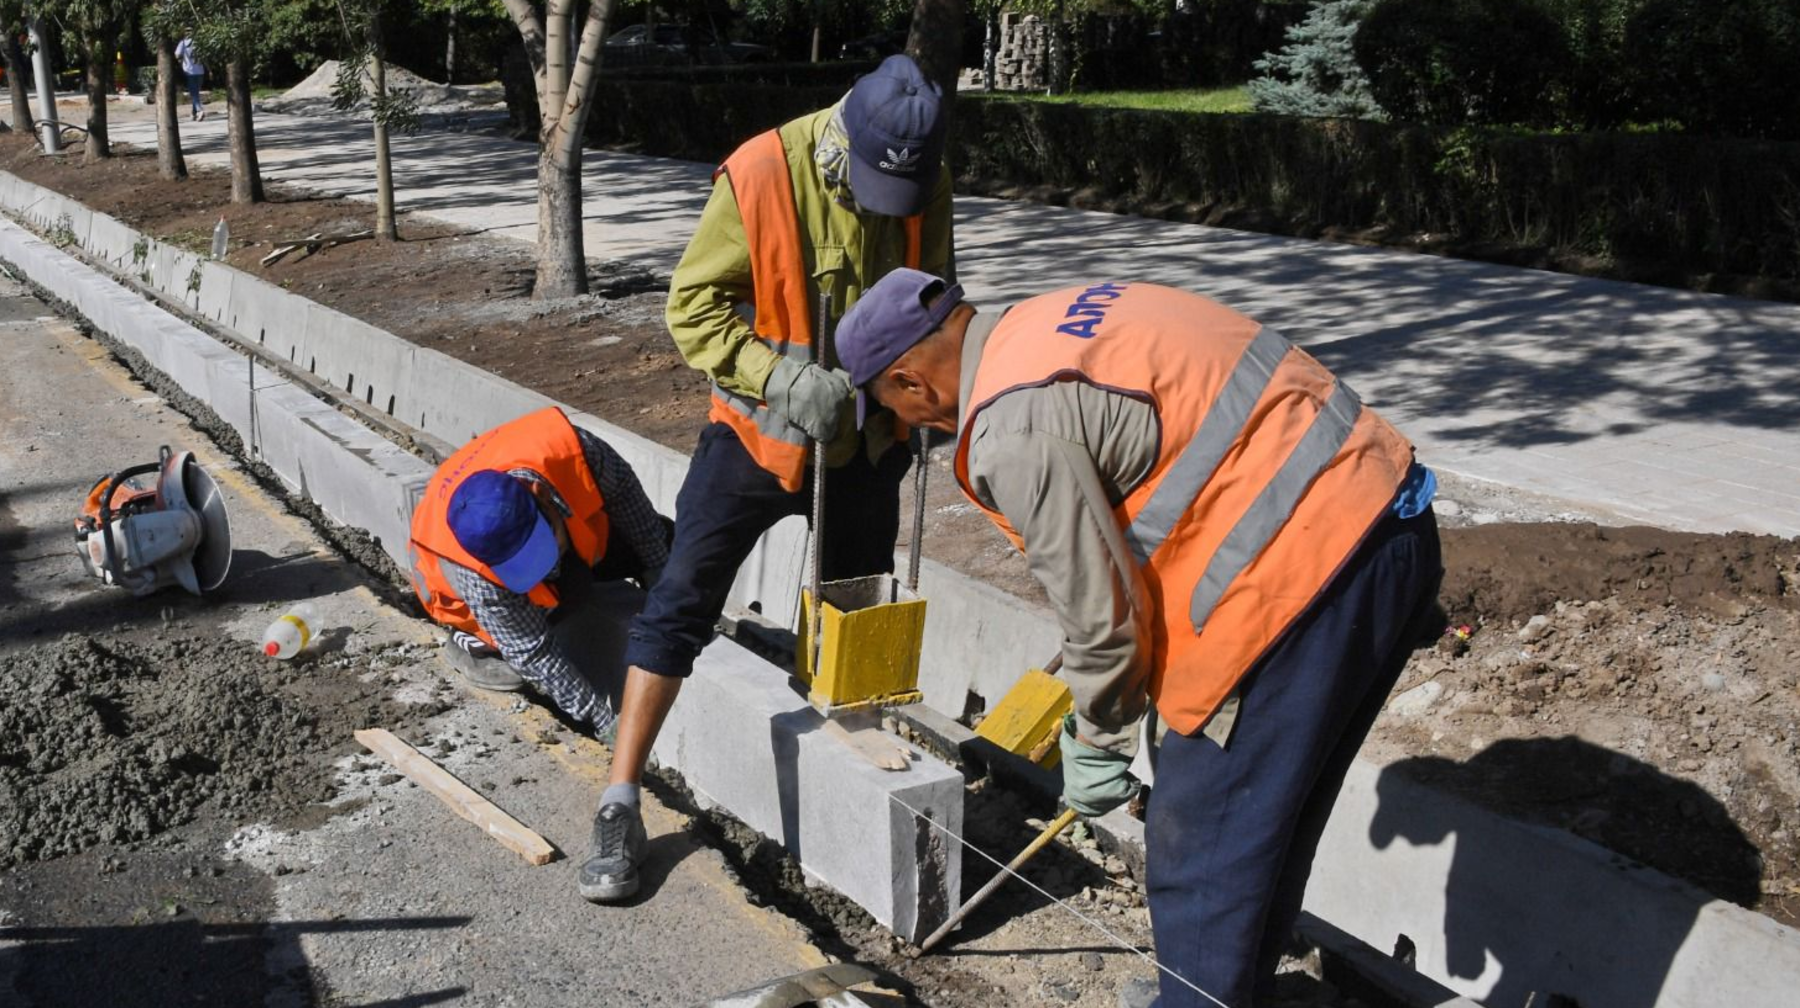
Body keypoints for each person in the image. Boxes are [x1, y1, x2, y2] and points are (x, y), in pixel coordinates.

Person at [837, 269, 1444, 1008]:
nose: (913, 427)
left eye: (896, 411)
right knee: (1267, 822)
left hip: (1296, 578)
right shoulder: (1053, 316)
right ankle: (1228, 994)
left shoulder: (1012, 426)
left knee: (1202, 840)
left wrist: (1094, 740)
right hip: (1386, 515)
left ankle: (1197, 999)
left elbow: (1103, 621)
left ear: (910, 382)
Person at [580, 53, 955, 905]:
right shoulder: (759, 173)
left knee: (854, 604)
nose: (882, 207)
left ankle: (849, 733)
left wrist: (923, 399)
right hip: (755, 439)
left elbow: (934, 301)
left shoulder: (929, 179)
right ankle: (619, 799)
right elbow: (694, 305)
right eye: (867, 186)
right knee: (679, 600)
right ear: (842, 139)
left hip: (861, 445)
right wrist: (783, 380)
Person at [406, 407, 670, 761]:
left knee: (667, 540)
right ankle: (471, 643)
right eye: (524, 567)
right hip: (457, 600)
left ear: (540, 495)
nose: (544, 571)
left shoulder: (575, 453)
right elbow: (533, 650)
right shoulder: (476, 573)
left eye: (541, 550)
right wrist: (603, 721)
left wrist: (659, 569)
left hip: (561, 520)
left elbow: (625, 496)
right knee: (538, 628)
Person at [174, 34, 205, 121]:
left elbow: (177, 55)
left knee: (194, 94)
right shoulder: (199, 42)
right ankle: (193, 113)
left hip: (190, 71)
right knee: (196, 93)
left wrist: (182, 58)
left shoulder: (183, 43)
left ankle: (200, 110)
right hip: (200, 71)